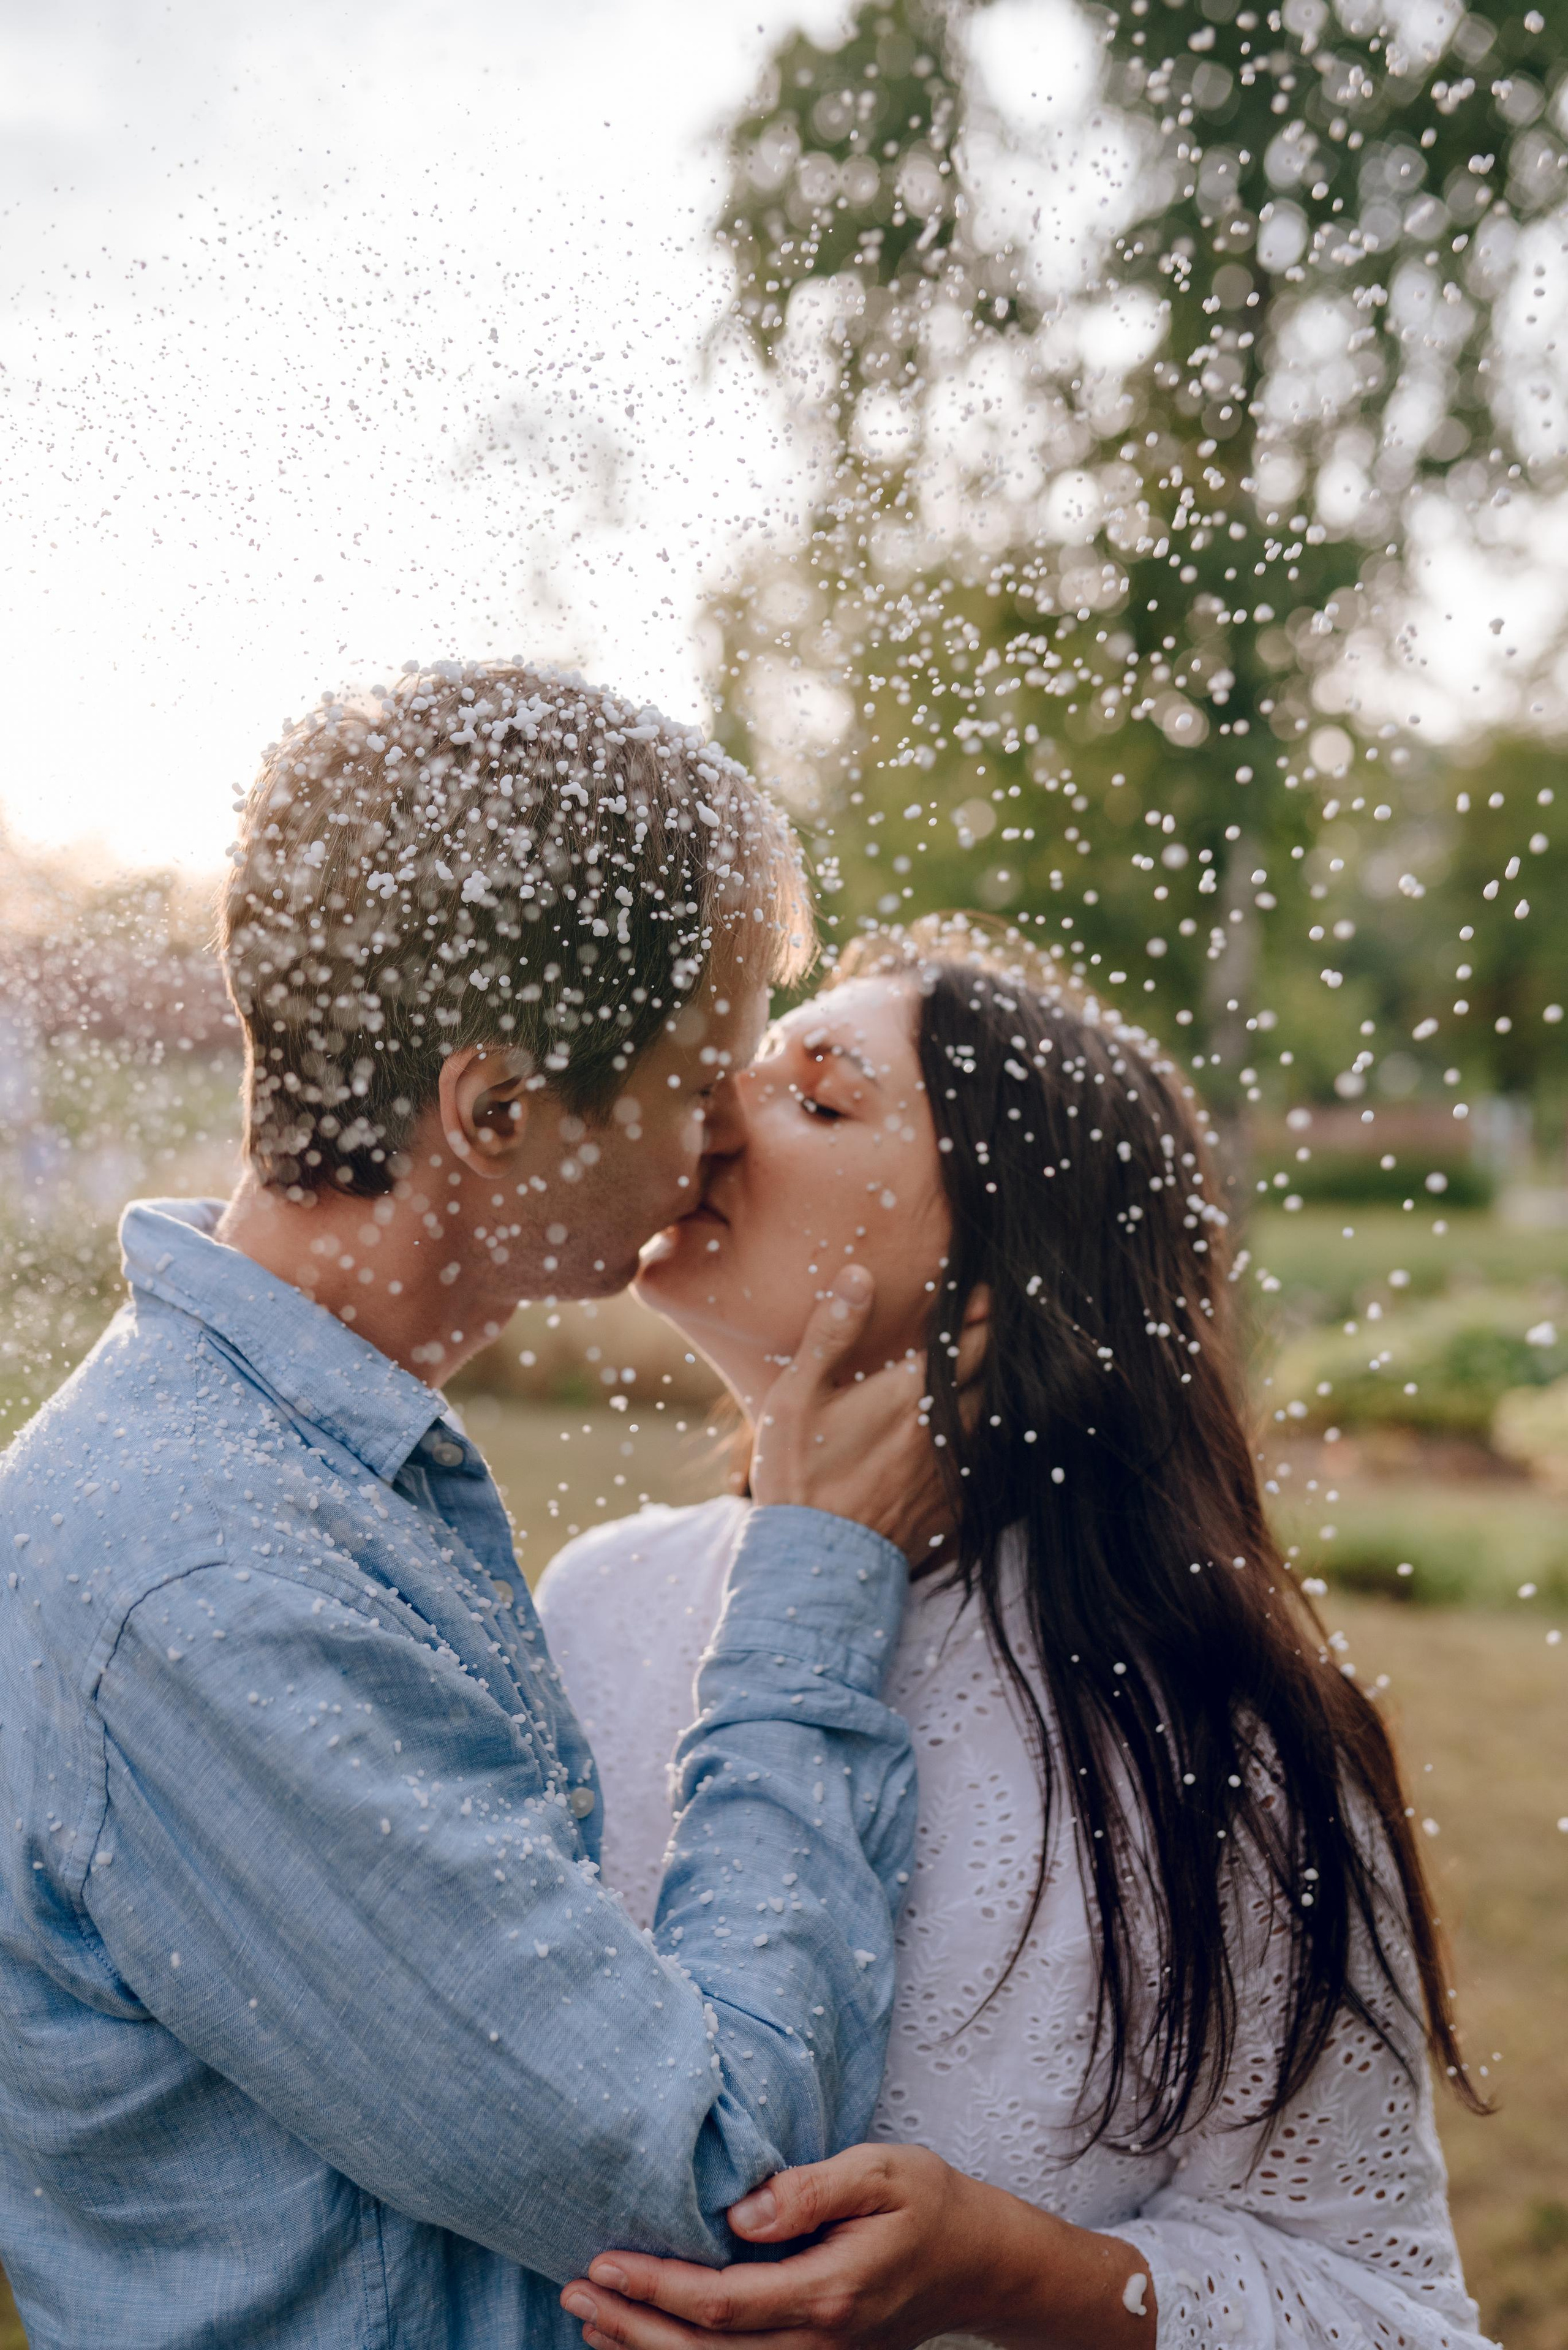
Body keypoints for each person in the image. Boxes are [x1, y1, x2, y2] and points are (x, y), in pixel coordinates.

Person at [0, 664, 941, 2350]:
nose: (726, 1129)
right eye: (695, 1075)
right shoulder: (205, 1580)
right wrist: (815, 1583)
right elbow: (715, 2179)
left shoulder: (282, 1463)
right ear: (498, 1113)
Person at [537, 916, 1495, 2350]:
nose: (713, 1103)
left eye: (817, 1097)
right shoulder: (593, 1599)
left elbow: (1391, 2318)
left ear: (1010, 1266)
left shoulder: (1218, 1743)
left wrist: (1008, 2270)